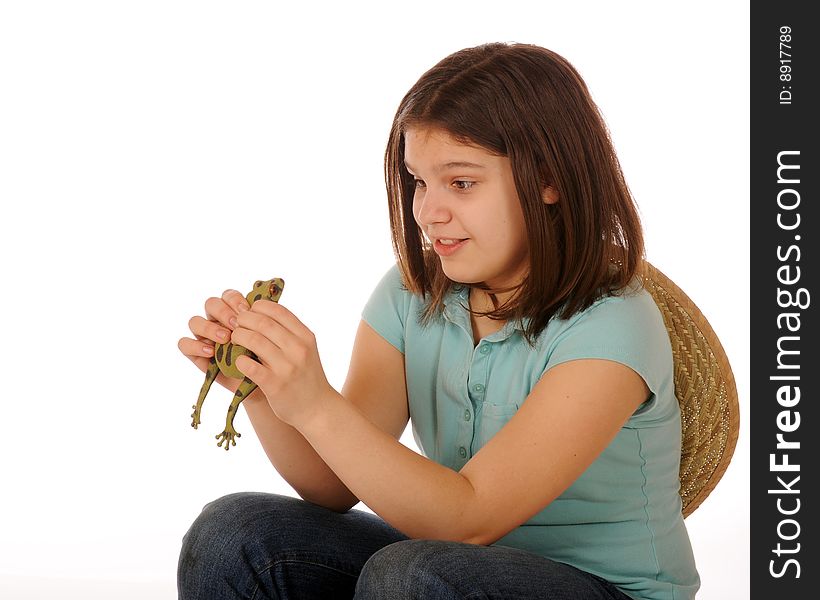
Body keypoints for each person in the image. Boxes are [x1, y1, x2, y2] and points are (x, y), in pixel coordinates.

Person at [176, 42, 700, 600]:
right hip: (450, 565)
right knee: (232, 533)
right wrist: (265, 391)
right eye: (419, 182)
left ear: (549, 179)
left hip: (602, 588)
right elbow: (333, 484)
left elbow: (469, 518)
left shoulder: (610, 324)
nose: (427, 211)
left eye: (462, 183)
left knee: (410, 577)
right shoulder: (412, 294)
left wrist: (316, 403)